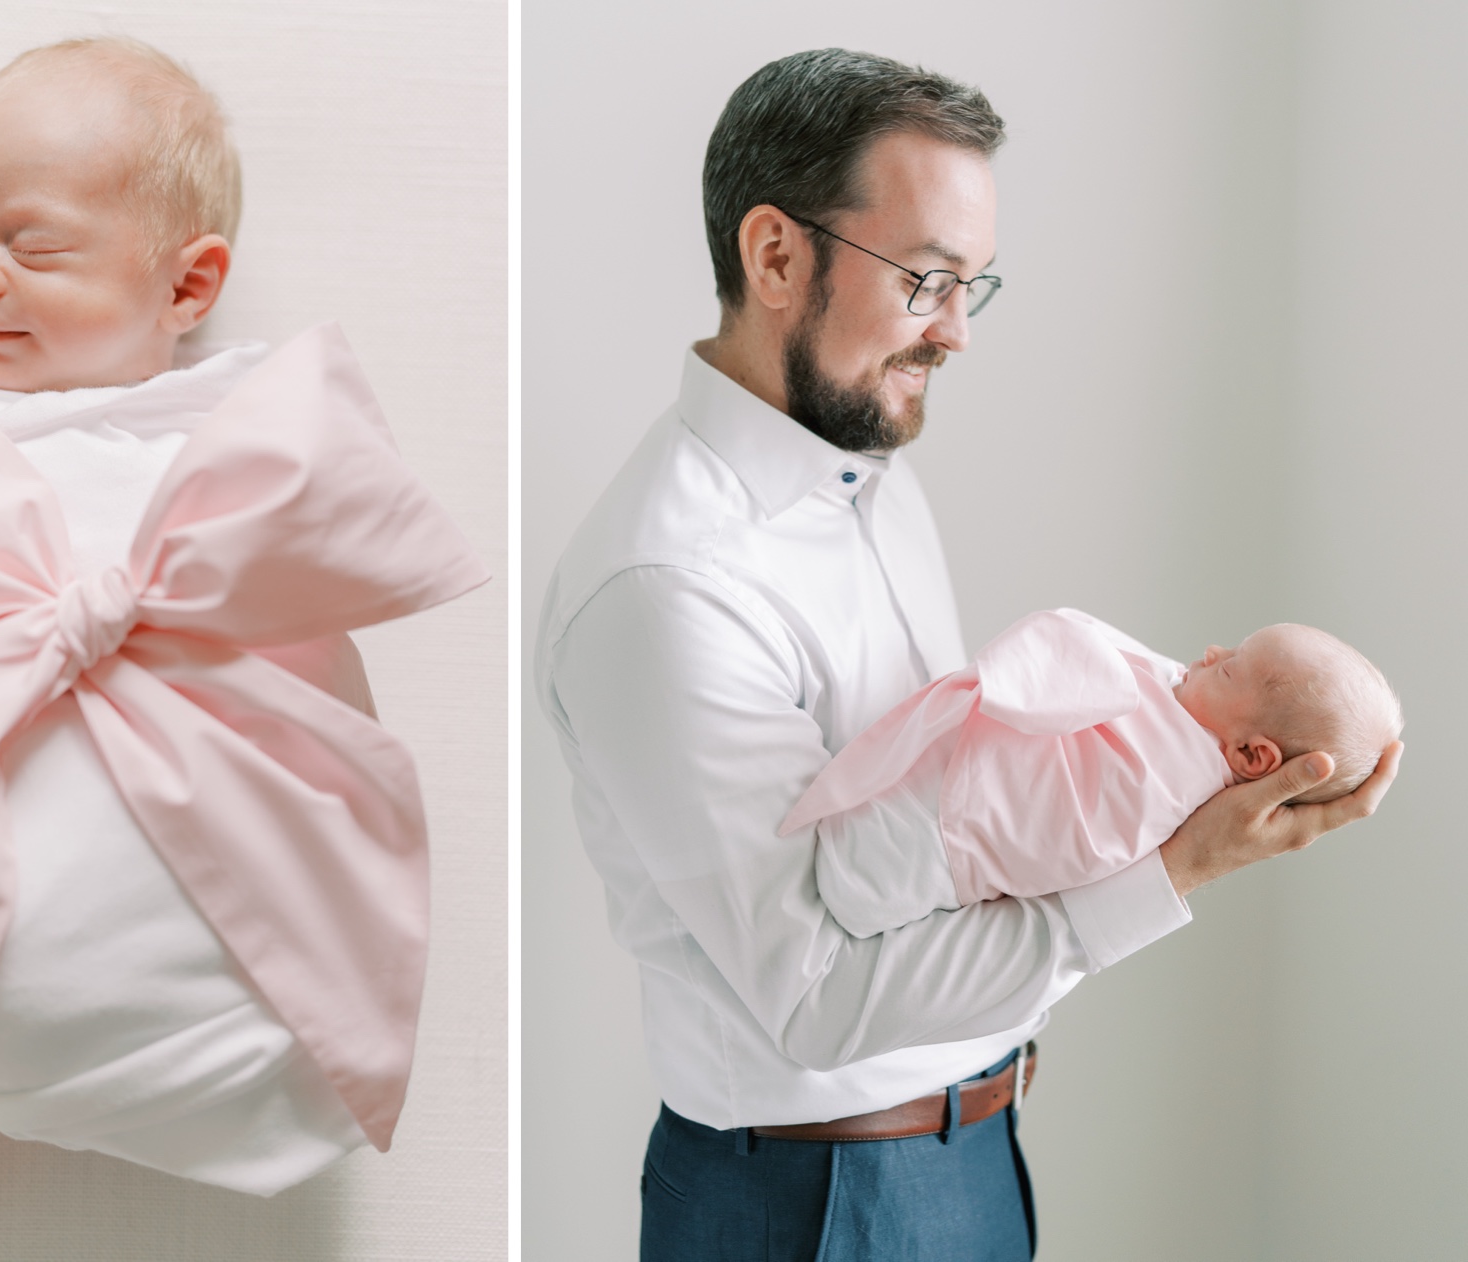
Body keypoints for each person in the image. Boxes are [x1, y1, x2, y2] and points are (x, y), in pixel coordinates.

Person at [533, 48, 1400, 1259]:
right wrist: (1176, 869)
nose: (956, 335)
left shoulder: (874, 481)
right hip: (814, 1203)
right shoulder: (663, 590)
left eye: (971, 288)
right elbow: (818, 998)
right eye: (927, 281)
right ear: (775, 255)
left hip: (973, 1153)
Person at [0, 37, 485, 1222]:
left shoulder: (241, 447)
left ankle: (263, 1029)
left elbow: (314, 620)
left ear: (188, 287)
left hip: (243, 997)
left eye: (32, 243)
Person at [782, 609, 1403, 941]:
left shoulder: (1167, 788)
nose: (1210, 654)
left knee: (858, 872)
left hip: (937, 838)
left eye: (1230, 670)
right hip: (933, 798)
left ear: (1252, 758)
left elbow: (1079, 833)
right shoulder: (1179, 709)